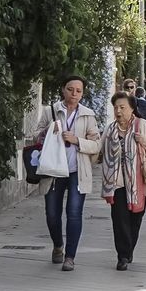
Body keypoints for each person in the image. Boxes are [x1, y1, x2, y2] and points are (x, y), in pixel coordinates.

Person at [31, 75, 102, 271]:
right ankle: (57, 245)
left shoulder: (88, 115)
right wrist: (47, 132)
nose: (74, 94)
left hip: (77, 171)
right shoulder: (51, 110)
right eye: (70, 89)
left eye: (78, 91)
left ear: (83, 93)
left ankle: (70, 257)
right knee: (52, 213)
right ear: (63, 89)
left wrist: (77, 140)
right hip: (54, 170)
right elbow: (35, 135)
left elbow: (97, 144)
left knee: (74, 212)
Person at [101, 92, 146, 270]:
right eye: (116, 107)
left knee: (135, 218)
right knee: (119, 219)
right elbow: (98, 149)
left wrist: (145, 144)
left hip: (139, 182)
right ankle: (122, 256)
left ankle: (129, 249)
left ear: (132, 109)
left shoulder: (143, 126)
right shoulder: (110, 130)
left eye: (122, 107)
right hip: (116, 182)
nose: (118, 111)